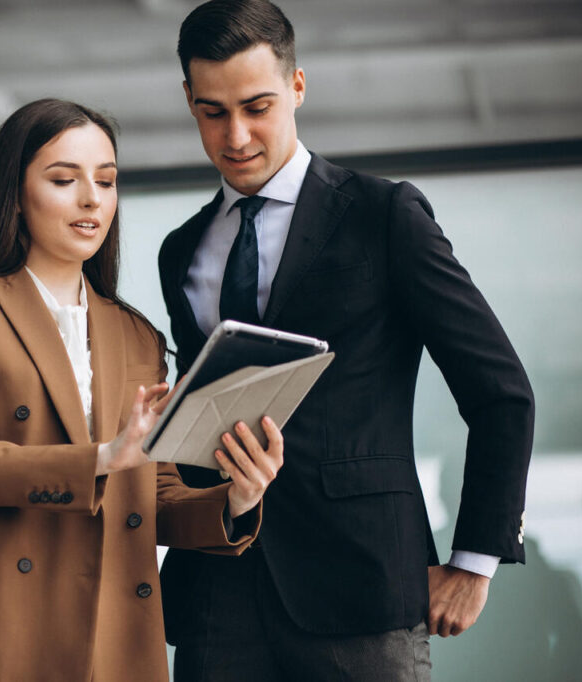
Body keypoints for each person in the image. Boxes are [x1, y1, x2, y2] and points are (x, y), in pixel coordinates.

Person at [157, 1, 535, 680]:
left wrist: (475, 561)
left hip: (362, 587)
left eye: (258, 105)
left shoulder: (384, 215)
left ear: (298, 86)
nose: (236, 135)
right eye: (213, 111)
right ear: (189, 99)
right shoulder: (180, 251)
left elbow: (501, 394)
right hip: (219, 595)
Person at [0, 98, 285, 682]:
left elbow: (153, 498)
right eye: (63, 179)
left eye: (106, 181)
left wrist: (237, 500)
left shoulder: (136, 334)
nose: (92, 199)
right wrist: (100, 460)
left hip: (110, 629)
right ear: (15, 193)